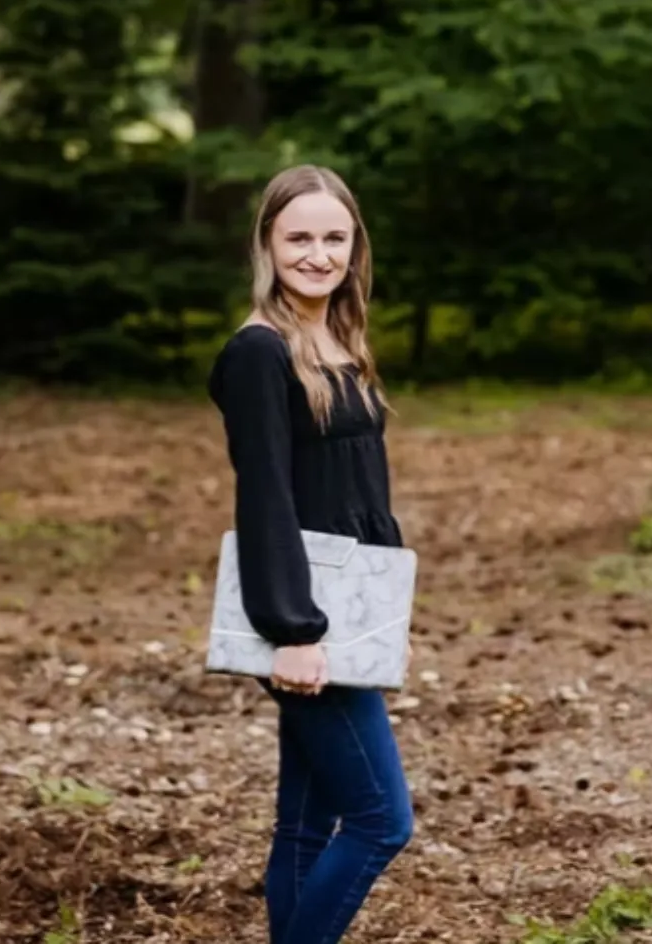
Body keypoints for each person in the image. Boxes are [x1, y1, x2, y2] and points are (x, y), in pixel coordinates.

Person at [207, 164, 415, 944]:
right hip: (304, 618)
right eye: (299, 237)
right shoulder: (260, 352)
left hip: (348, 613)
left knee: (305, 822)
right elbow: (266, 496)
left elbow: (358, 493)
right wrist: (293, 629)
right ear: (267, 242)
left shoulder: (337, 338)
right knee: (380, 819)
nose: (318, 253)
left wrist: (380, 617)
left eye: (334, 237)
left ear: (355, 244)